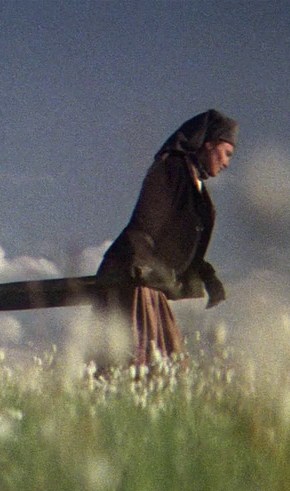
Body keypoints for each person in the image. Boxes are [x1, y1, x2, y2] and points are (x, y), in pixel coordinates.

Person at [95, 109, 237, 368]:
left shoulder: (197, 188)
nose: (227, 162)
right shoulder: (171, 168)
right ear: (208, 144)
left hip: (152, 281)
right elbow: (144, 224)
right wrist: (142, 267)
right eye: (226, 153)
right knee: (136, 363)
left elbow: (184, 247)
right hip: (131, 277)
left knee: (165, 365)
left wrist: (207, 277)